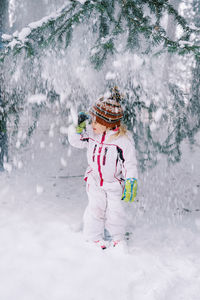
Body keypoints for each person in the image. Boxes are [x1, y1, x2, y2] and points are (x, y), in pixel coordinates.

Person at [68, 87, 138, 249]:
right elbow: (76, 142)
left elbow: (129, 163)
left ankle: (117, 239)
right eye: (92, 120)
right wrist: (78, 129)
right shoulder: (92, 133)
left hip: (114, 183)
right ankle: (93, 238)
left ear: (108, 124)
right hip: (94, 181)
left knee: (115, 211)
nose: (92, 124)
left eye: (96, 122)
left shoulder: (123, 141)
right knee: (96, 208)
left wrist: (131, 180)